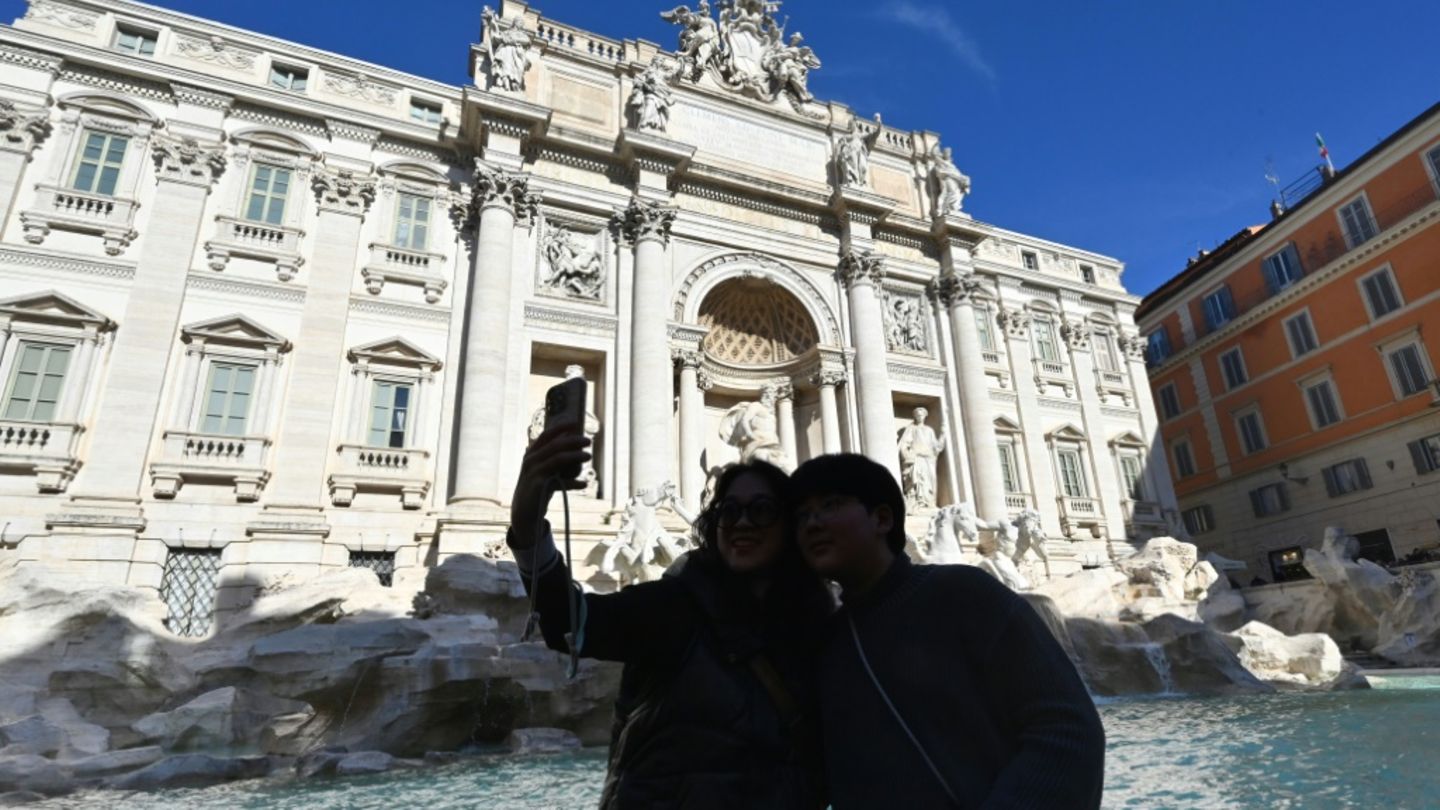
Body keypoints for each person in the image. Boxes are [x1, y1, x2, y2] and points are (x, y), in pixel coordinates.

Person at [508, 427, 832, 808]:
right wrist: (528, 528)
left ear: (788, 525)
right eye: (729, 511)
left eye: (761, 510)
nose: (742, 523)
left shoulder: (815, 624)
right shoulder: (674, 606)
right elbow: (569, 622)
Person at [789, 453, 1105, 808]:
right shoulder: (828, 644)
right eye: (801, 516)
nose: (811, 524)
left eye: (830, 505)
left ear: (882, 518)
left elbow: (1069, 729)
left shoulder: (965, 593)